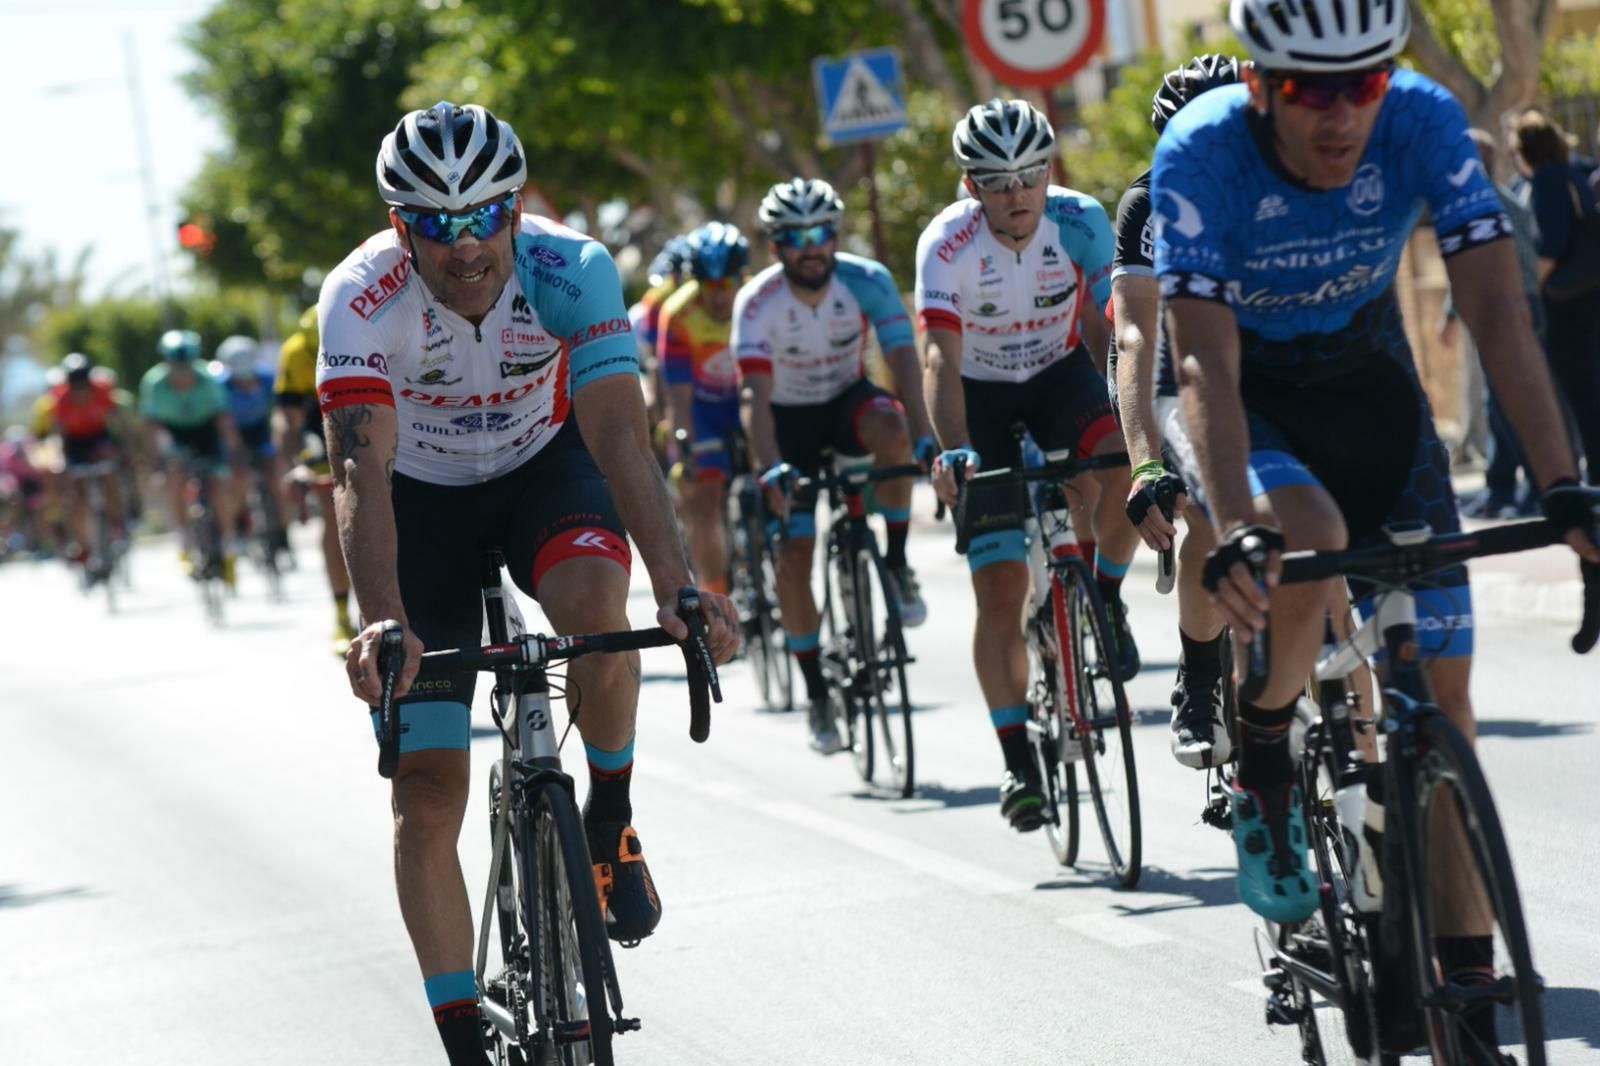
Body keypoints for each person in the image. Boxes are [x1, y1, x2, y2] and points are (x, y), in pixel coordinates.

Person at [1155, 8, 1597, 1059]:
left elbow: (1496, 310)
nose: (1345, 111)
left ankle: (1470, 994)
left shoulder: (1423, 121)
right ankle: (1265, 743)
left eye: (1366, 81)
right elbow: (1198, 368)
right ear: (1262, 86)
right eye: (1313, 89)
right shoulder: (1202, 154)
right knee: (1301, 530)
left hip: (1369, 389)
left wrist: (1565, 488)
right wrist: (1231, 524)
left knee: (1442, 697)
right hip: (1250, 400)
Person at [324, 101, 735, 1066]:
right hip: (417, 508)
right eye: (435, 223)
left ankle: (610, 816)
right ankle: (463, 1038)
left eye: (483, 217)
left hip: (543, 470)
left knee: (600, 611)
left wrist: (681, 584)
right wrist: (384, 622)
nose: (464, 245)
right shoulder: (360, 299)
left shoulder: (573, 267)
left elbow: (621, 441)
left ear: (514, 209)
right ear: (401, 226)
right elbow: (357, 474)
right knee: (426, 797)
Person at [918, 98, 1137, 831]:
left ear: (1050, 172)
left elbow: (1114, 327)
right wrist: (953, 447)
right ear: (969, 185)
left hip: (1055, 374)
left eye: (1028, 176)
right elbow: (937, 358)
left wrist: (1141, 405)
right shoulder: (945, 245)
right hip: (977, 396)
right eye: (995, 180)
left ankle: (1102, 594)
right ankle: (1018, 762)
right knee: (1002, 586)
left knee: (1121, 463)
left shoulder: (1081, 221)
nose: (1015, 194)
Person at [736, 176, 934, 753]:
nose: (811, 245)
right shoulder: (758, 303)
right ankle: (818, 692)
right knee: (793, 556)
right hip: (788, 423)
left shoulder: (866, 280)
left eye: (821, 232)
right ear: (775, 245)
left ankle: (894, 564)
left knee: (892, 429)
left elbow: (904, 359)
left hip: (848, 403)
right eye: (794, 236)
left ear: (836, 234)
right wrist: (770, 466)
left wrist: (926, 439)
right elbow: (753, 397)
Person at [1111, 55, 1241, 769]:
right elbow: (1134, 335)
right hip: (1166, 367)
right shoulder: (1147, 205)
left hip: (1255, 360)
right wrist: (1145, 464)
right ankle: (1198, 682)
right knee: (1215, 512)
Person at [1440, 128, 1546, 519]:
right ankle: (1501, 488)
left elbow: (1490, 265)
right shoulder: (1486, 198)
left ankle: (1537, 488)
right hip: (1507, 308)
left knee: (1510, 402)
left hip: (1514, 310)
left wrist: (1453, 314)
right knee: (1495, 404)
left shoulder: (1487, 201)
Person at [658, 222, 749, 596]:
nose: (719, 297)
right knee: (704, 501)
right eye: (709, 287)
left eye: (727, 285)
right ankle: (717, 596)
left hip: (750, 402)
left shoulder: (758, 299)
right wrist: (685, 449)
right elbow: (678, 397)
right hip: (703, 412)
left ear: (741, 278)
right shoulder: (678, 314)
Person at [1512, 108, 1600, 488]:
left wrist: (1533, 285)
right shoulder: (1574, 174)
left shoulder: (1546, 180)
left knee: (1581, 398)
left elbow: (1552, 243)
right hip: (1589, 294)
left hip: (1566, 305)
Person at [275, 306, 357, 653]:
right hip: (317, 422)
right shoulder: (295, 352)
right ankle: (341, 615)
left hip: (362, 403)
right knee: (335, 512)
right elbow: (288, 419)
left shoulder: (361, 331)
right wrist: (296, 465)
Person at [139, 329, 243, 582]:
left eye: (186, 364)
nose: (182, 371)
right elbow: (152, 428)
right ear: (166, 363)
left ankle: (228, 547)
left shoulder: (209, 378)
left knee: (218, 486)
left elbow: (224, 421)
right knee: (175, 478)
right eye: (176, 365)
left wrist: (231, 453)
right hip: (176, 434)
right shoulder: (153, 384)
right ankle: (184, 540)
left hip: (207, 430)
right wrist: (156, 465)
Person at [34, 353, 129, 569]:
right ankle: (83, 546)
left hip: (98, 438)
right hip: (74, 443)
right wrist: (58, 459)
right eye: (75, 385)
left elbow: (117, 420)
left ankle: (116, 523)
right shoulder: (59, 398)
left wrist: (122, 449)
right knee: (76, 496)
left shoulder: (102, 389)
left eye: (83, 384)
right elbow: (57, 434)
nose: (80, 390)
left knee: (108, 475)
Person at [217, 335, 292, 553]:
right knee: (238, 479)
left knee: (277, 479)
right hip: (234, 431)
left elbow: (278, 409)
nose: (245, 381)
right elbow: (224, 420)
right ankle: (242, 521)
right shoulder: (221, 385)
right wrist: (235, 450)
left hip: (261, 428)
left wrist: (278, 439)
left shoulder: (267, 378)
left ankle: (282, 530)